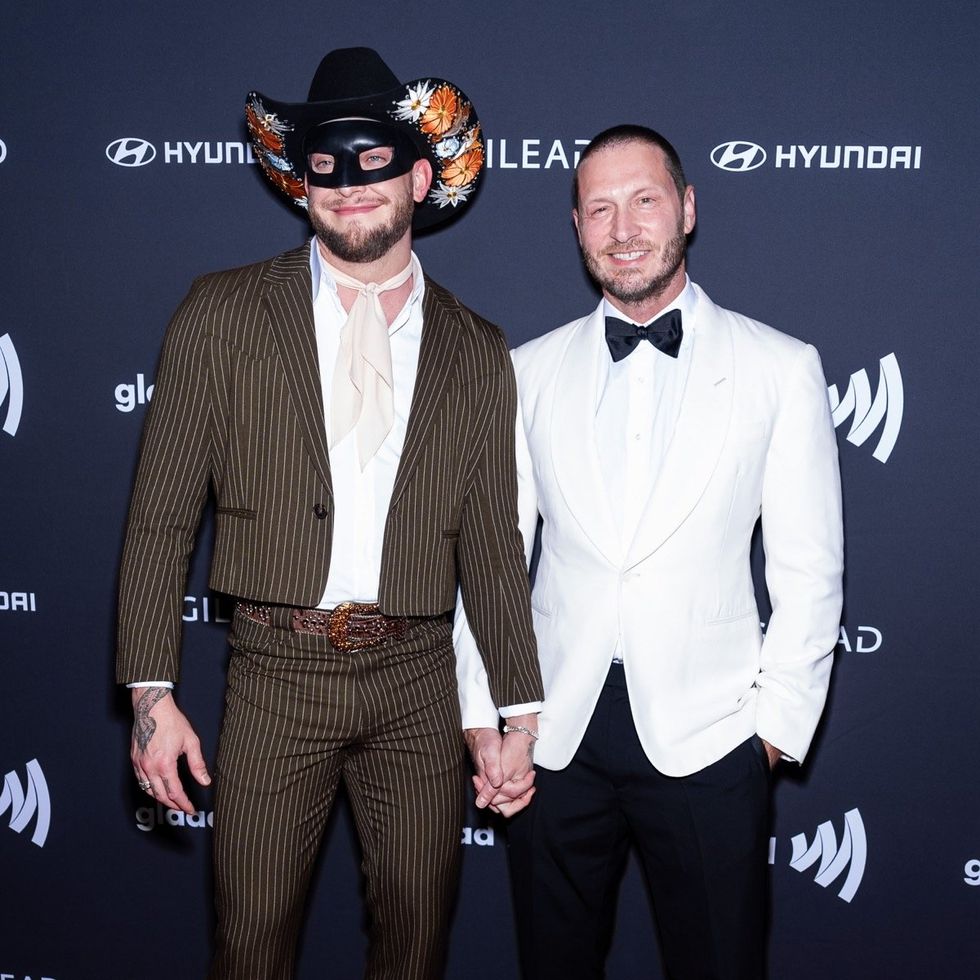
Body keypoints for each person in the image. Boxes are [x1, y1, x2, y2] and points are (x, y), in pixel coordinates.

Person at [116, 47, 542, 980]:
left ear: (420, 177)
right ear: (301, 184)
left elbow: (493, 547)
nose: (350, 185)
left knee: (416, 948)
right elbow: (158, 519)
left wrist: (518, 712)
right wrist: (151, 696)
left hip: (419, 681)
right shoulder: (222, 313)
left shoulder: (477, 348)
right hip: (276, 675)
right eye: (325, 165)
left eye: (374, 161)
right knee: (250, 946)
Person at [460, 124, 844, 978]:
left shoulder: (779, 368)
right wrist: (486, 716)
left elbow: (809, 570)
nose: (624, 228)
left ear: (688, 209)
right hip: (552, 735)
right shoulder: (526, 370)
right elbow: (492, 559)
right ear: (577, 227)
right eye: (600, 209)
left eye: (644, 201)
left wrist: (769, 737)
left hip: (712, 734)